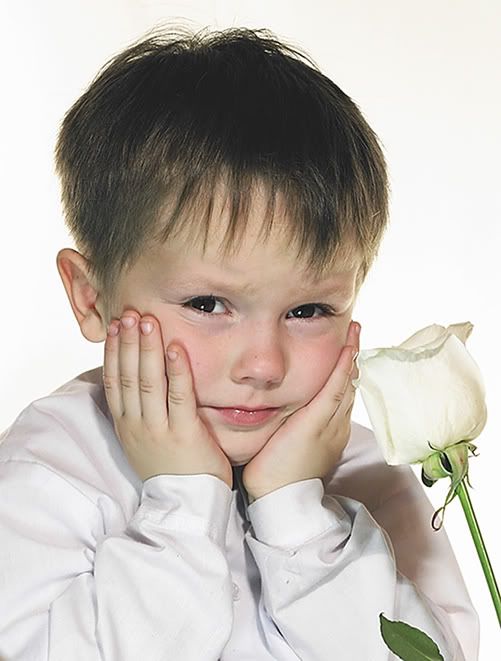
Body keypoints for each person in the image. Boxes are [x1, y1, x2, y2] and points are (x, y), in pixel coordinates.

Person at [0, 26, 478, 660]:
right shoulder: (52, 471)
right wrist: (183, 504)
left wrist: (298, 516)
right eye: (207, 305)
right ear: (90, 298)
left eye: (308, 310)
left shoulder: (370, 478)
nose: (263, 365)